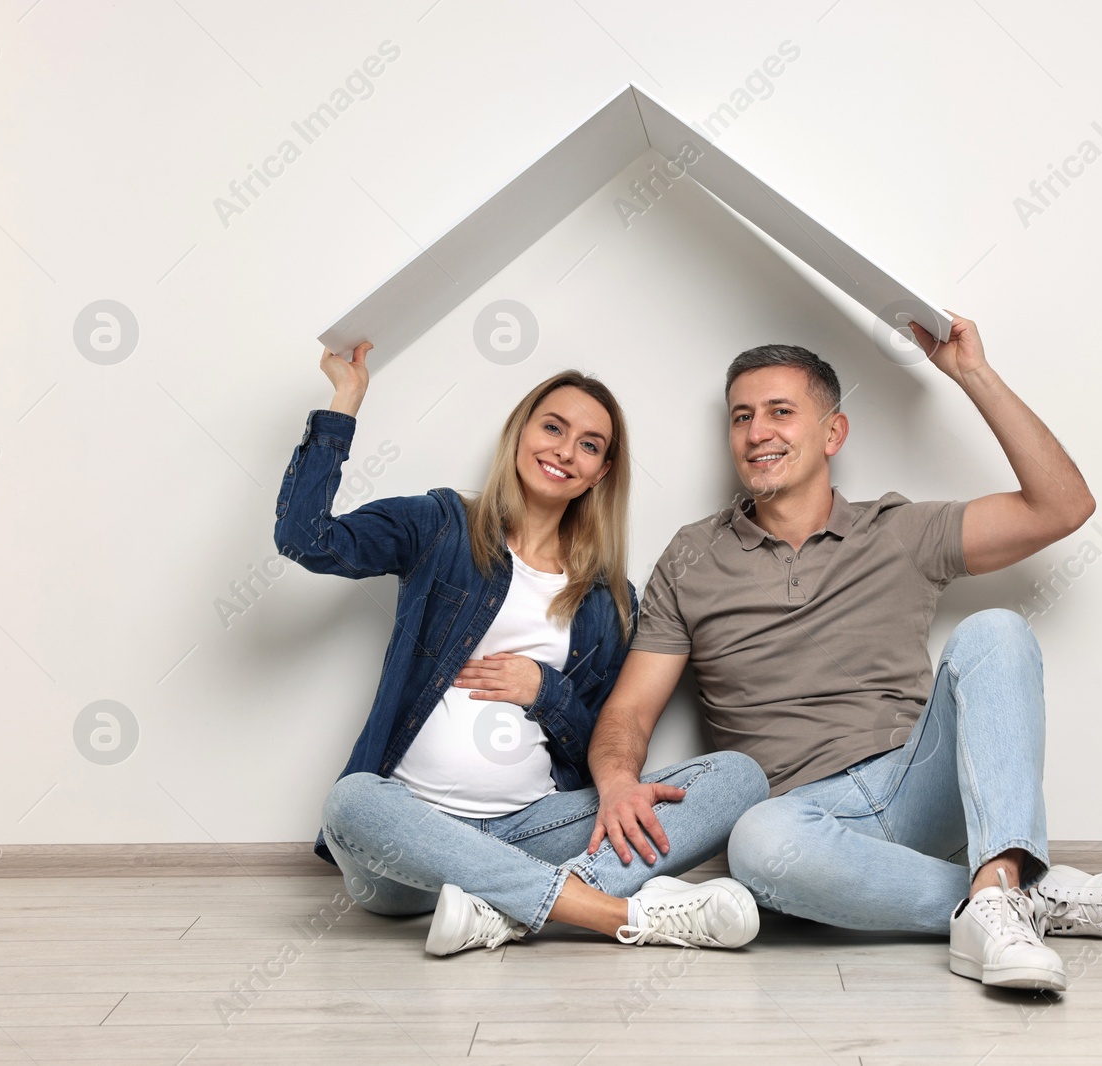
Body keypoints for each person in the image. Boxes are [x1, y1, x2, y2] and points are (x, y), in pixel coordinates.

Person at [584, 313, 1102, 991]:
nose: (757, 433)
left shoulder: (898, 531)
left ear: (832, 432)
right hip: (805, 824)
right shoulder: (693, 554)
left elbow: (1063, 505)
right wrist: (616, 782)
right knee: (754, 842)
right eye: (741, 417)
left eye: (781, 411)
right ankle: (1011, 900)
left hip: (917, 787)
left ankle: (997, 893)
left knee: (997, 631)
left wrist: (971, 374)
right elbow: (629, 710)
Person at [273, 341, 769, 956]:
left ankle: (499, 910)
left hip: (529, 831)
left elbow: (600, 736)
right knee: (350, 802)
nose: (565, 450)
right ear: (519, 432)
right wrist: (344, 401)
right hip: (404, 844)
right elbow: (306, 540)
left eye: (589, 445)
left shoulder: (607, 599)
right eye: (553, 427)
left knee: (737, 779)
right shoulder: (440, 525)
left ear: (601, 471)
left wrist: (547, 691)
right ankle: (612, 912)